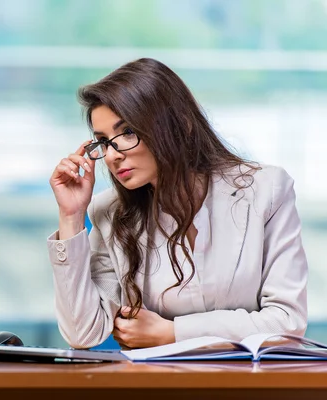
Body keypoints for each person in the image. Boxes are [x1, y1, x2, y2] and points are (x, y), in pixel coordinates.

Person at [47, 57, 308, 350]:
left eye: (128, 132)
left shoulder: (266, 191)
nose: (112, 155)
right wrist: (70, 217)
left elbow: (287, 322)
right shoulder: (110, 212)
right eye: (104, 141)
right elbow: (83, 333)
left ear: (181, 125)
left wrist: (173, 332)